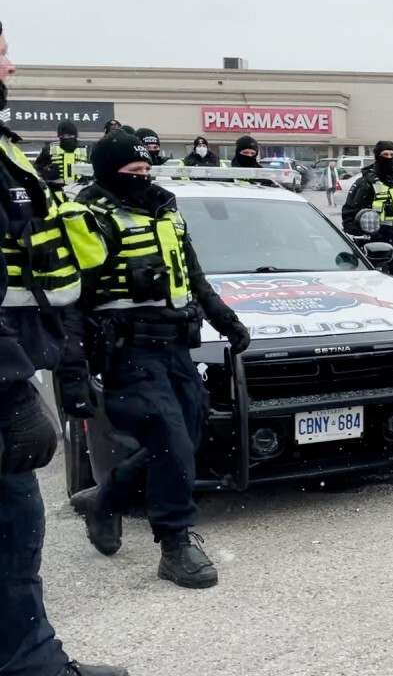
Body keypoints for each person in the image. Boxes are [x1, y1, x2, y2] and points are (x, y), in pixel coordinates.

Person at [62, 130, 251, 590]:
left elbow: (193, 273)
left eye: (147, 170)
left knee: (186, 434)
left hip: (176, 347)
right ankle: (174, 544)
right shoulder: (87, 218)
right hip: (128, 352)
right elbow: (67, 300)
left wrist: (225, 319)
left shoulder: (165, 209)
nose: (142, 179)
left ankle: (105, 500)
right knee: (169, 436)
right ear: (108, 173)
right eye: (132, 173)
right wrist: (72, 372)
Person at [0, 19, 130, 676]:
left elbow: (50, 266)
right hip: (2, 374)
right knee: (14, 526)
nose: (11, 70)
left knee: (16, 524)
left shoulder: (12, 153)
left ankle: (30, 660)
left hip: (21, 360)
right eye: (3, 54)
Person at [341, 140, 393, 278]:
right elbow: (349, 212)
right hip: (374, 240)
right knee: (376, 278)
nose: (389, 158)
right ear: (377, 156)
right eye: (385, 154)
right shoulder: (365, 183)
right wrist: (357, 238)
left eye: (391, 154)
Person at [34, 120, 88, 199]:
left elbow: (97, 168)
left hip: (81, 191)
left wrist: (88, 176)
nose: (66, 138)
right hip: (55, 190)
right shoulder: (49, 149)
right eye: (63, 136)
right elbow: (37, 167)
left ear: (75, 135)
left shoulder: (87, 149)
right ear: (59, 136)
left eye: (69, 135)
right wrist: (47, 173)